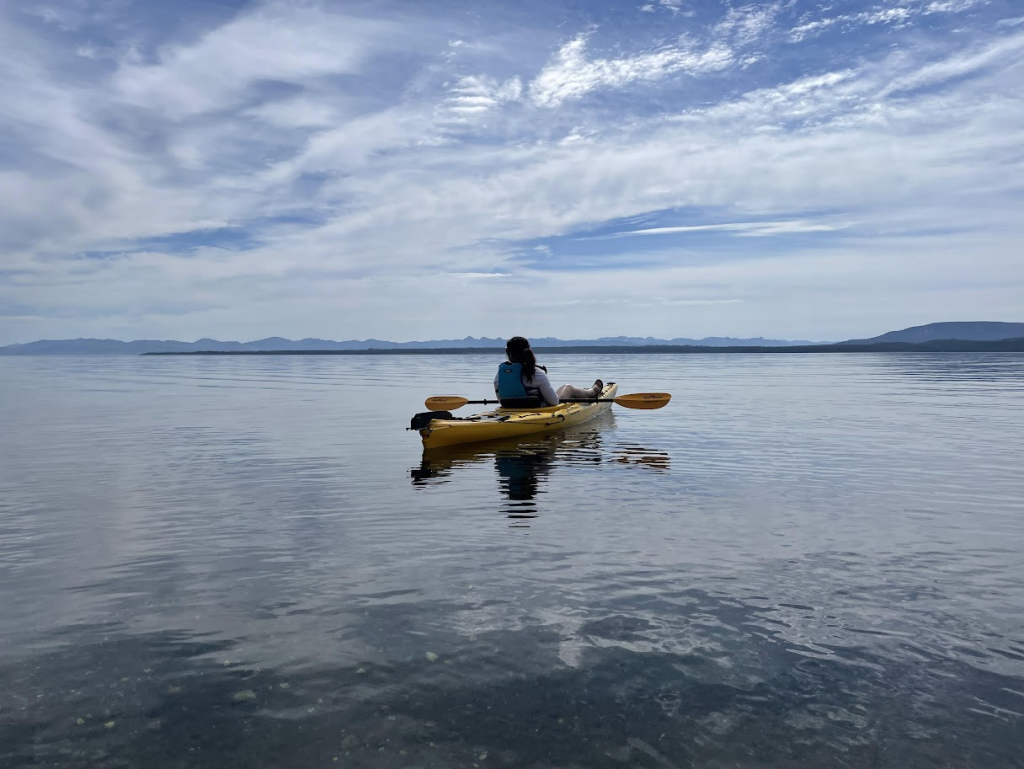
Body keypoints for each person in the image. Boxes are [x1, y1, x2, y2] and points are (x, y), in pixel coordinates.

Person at [494, 336, 603, 407]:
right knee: (568, 387)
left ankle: (590, 392)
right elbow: (554, 402)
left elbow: (501, 400)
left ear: (508, 353)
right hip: (539, 410)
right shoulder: (536, 373)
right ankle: (593, 392)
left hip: (510, 409)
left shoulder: (500, 375)